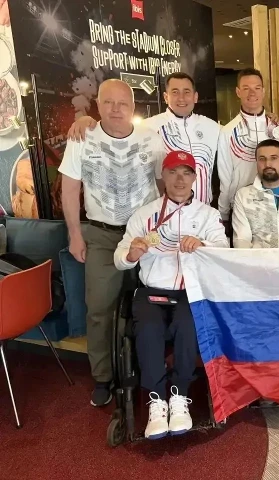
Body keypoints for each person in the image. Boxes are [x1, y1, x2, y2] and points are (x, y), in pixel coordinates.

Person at [59, 79, 165, 407]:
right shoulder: (82, 137)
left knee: (151, 304)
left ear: (133, 108)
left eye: (123, 103)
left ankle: (148, 369)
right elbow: (69, 189)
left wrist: (163, 231)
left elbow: (164, 186)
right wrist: (75, 234)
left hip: (143, 235)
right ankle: (103, 377)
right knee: (99, 309)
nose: (116, 109)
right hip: (102, 235)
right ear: (98, 105)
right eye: (108, 102)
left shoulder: (152, 139)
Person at [114, 150, 228, 439]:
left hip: (190, 291)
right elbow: (119, 257)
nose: (180, 179)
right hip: (152, 291)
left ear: (194, 178)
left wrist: (202, 244)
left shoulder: (208, 215)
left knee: (188, 325)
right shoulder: (144, 214)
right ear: (162, 175)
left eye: (186, 173)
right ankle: (156, 400)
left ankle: (179, 396)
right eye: (173, 172)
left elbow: (224, 249)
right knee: (148, 328)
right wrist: (131, 254)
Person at [67, 72, 221, 205]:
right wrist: (88, 121)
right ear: (166, 97)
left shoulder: (213, 127)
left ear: (195, 97)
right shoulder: (147, 127)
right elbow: (114, 129)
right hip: (163, 214)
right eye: (175, 92)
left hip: (204, 213)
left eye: (186, 92)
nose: (181, 98)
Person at [217, 68, 279, 228]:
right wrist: (223, 214)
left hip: (277, 205)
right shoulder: (228, 131)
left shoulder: (278, 127)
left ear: (263, 91)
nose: (252, 93)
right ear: (238, 92)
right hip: (242, 207)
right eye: (246, 88)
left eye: (257, 88)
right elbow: (225, 177)